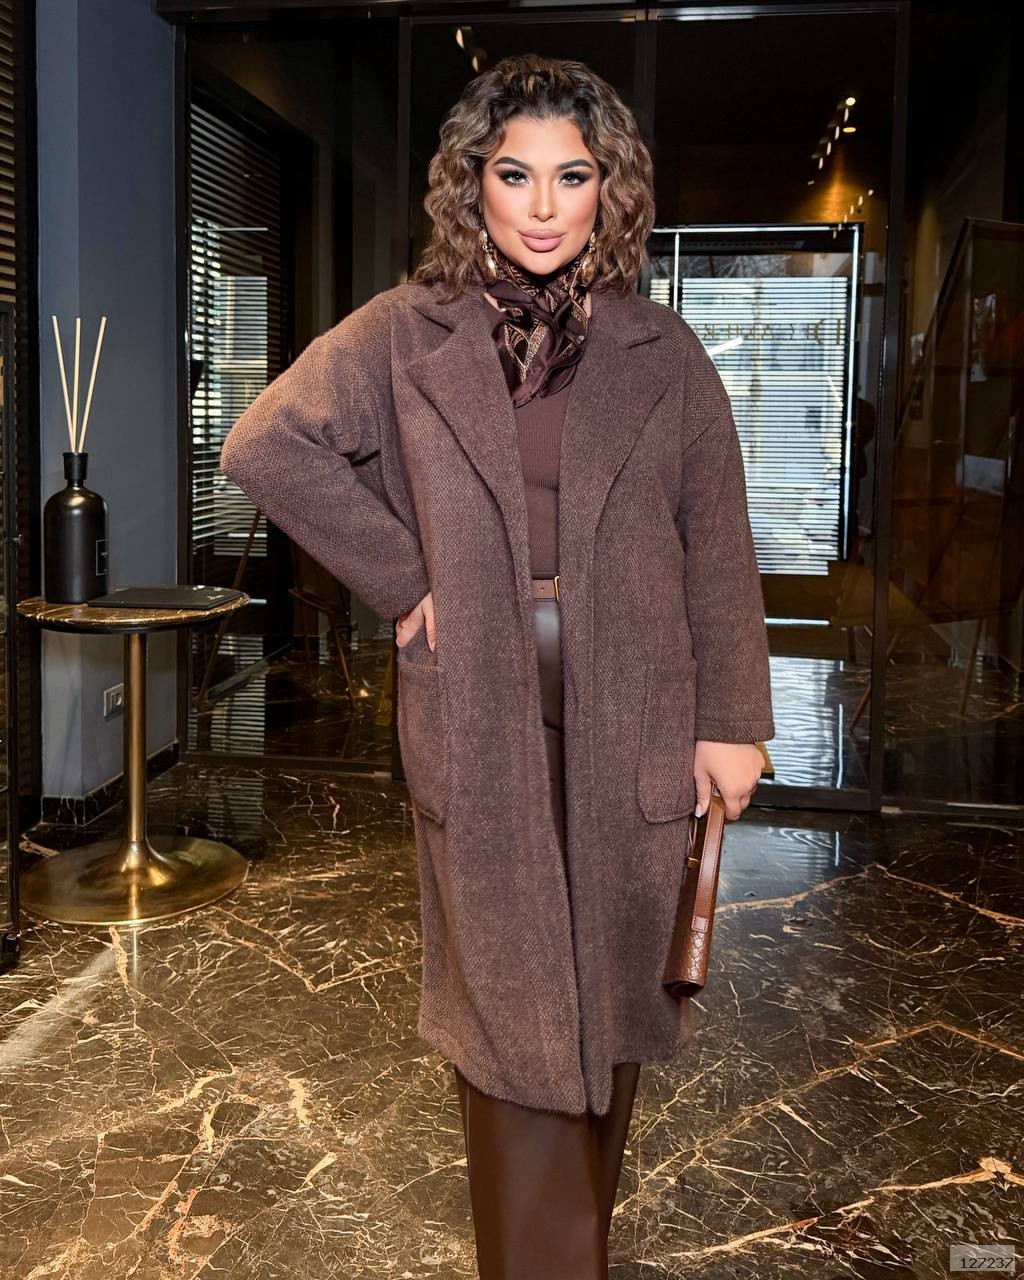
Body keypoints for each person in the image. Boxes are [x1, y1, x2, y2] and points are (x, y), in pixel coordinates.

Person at [220, 52, 774, 1279]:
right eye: (514, 174)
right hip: (475, 694)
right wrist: (404, 578)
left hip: (639, 695)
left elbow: (718, 537)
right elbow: (266, 443)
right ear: (472, 183)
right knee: (513, 999)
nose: (541, 205)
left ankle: (567, 1242)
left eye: (571, 177)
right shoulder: (402, 331)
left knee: (612, 976)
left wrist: (732, 716)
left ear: (608, 189)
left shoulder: (665, 350)